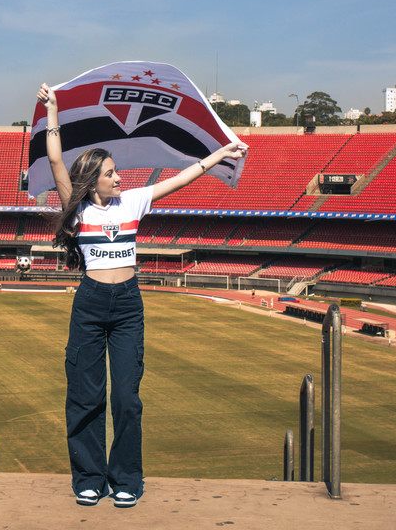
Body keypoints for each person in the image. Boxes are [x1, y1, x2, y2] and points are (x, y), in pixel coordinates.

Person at [37, 82, 248, 508]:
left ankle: (126, 479)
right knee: (85, 395)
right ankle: (89, 478)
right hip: (90, 304)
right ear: (93, 181)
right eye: (111, 173)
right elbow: (56, 160)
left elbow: (183, 178)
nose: (120, 178)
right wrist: (53, 111)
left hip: (128, 306)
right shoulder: (79, 209)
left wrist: (219, 154)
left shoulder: (133, 202)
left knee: (126, 398)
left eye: (117, 172)